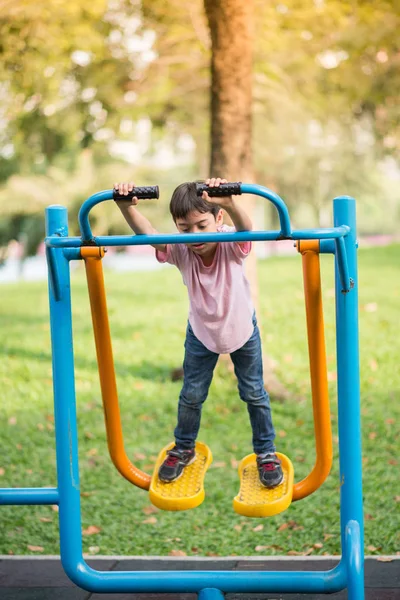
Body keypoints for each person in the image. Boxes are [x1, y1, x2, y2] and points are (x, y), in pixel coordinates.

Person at [114, 178, 283, 489]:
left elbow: (248, 229)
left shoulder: (231, 244)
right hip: (202, 334)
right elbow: (149, 235)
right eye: (185, 228)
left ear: (218, 220)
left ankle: (266, 452)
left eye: (202, 226)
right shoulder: (181, 251)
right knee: (191, 396)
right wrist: (127, 208)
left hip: (243, 331)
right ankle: (183, 448)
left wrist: (230, 202)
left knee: (254, 393)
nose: (194, 236)